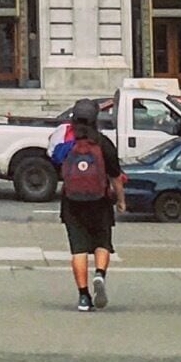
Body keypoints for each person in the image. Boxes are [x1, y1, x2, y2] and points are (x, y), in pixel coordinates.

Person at [51, 96, 122, 311]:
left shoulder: (67, 146)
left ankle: (83, 297)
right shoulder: (103, 143)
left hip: (72, 202)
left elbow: (54, 162)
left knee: (78, 249)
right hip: (99, 201)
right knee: (102, 242)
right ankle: (99, 274)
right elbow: (116, 176)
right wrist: (121, 200)